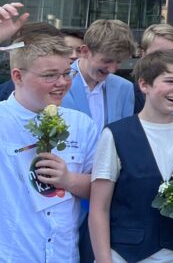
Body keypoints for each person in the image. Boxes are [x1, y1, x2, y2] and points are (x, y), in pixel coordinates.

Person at [89, 51, 173, 263]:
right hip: (126, 256)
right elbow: (99, 207)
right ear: (144, 85)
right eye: (169, 81)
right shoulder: (117, 134)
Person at [0, 34, 99, 262]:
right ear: (18, 76)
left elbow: (103, 188)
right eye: (50, 76)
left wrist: (69, 180)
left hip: (64, 255)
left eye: (66, 73)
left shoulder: (81, 124)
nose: (62, 83)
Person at [63, 19, 136, 128]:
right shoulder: (58, 82)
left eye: (119, 61)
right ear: (85, 51)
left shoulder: (124, 88)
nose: (112, 69)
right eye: (107, 61)